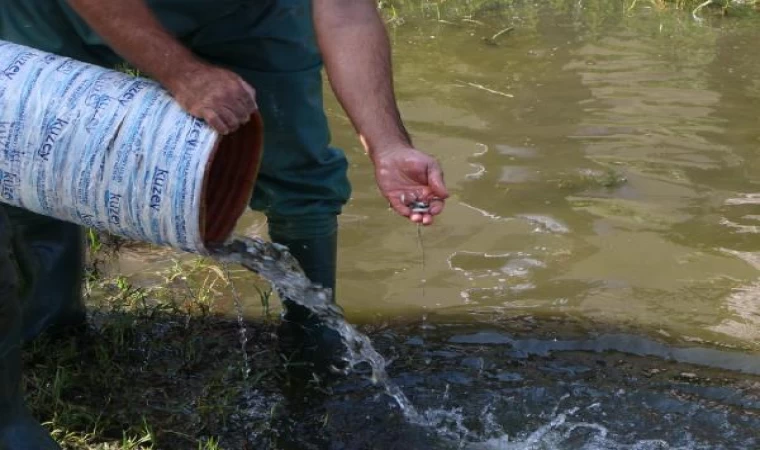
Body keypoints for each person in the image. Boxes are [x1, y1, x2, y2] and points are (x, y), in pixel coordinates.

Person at [0, 0, 448, 448]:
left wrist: (388, 145)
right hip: (56, 9)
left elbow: (346, 13)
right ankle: (52, 327)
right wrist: (182, 73)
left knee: (302, 173)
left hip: (246, 11)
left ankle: (314, 345)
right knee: (32, 157)